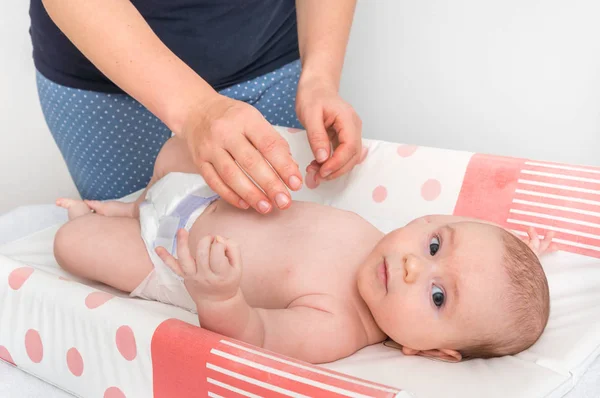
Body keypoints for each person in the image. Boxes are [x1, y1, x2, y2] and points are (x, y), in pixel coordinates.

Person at [53, 136, 553, 364]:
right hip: (206, 194)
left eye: (438, 296)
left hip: (170, 259)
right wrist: (520, 250)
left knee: (71, 244)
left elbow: (256, 333)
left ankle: (113, 219)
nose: (411, 265)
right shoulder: (378, 246)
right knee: (181, 141)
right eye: (435, 243)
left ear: (430, 352)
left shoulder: (337, 327)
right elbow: (479, 261)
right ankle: (138, 203)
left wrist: (221, 295)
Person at [31, 0, 362, 214]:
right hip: (109, 82)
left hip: (274, 58)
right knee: (135, 240)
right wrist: (197, 110)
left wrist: (320, 76)